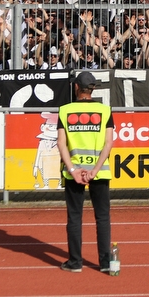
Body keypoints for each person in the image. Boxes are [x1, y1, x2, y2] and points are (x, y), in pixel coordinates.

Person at [57, 72, 114, 273]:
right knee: (103, 217)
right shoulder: (105, 110)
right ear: (93, 89)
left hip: (74, 172)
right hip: (99, 172)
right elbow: (108, 144)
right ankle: (106, 263)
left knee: (74, 217)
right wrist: (95, 170)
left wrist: (72, 170)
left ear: (76, 88)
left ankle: (75, 262)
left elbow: (60, 144)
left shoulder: (65, 111)